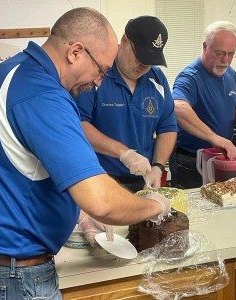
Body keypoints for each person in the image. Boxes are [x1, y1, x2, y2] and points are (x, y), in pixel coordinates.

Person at [0, 7, 171, 300]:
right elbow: (103, 202)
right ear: (76, 52)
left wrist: (79, 215)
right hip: (16, 273)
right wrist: (156, 205)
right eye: (101, 70)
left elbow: (28, 164)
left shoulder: (13, 71)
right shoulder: (43, 95)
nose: (99, 81)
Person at [76, 16, 177, 193]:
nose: (144, 65)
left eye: (150, 61)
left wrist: (157, 167)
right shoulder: (97, 73)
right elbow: (79, 125)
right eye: (140, 57)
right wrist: (124, 153)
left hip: (143, 182)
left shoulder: (157, 79)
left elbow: (167, 127)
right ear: (123, 41)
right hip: (101, 181)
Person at [169, 20, 236, 189]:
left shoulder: (231, 74)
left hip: (222, 159)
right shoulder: (190, 77)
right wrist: (214, 137)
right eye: (220, 53)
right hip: (192, 161)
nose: (225, 60)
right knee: (194, 213)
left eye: (231, 54)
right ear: (205, 47)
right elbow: (177, 108)